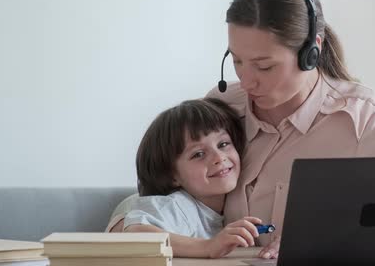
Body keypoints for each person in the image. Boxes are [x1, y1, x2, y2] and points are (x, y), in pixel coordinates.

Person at [110, 0, 375, 259]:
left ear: (312, 51)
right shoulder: (222, 105)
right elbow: (159, 201)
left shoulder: (364, 120)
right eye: (237, 60)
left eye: (264, 66)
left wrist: (327, 240)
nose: (247, 80)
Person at [109, 98, 265, 258]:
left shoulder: (224, 210)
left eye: (223, 144)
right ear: (172, 175)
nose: (219, 157)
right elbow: (134, 234)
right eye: (198, 154)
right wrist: (208, 247)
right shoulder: (177, 206)